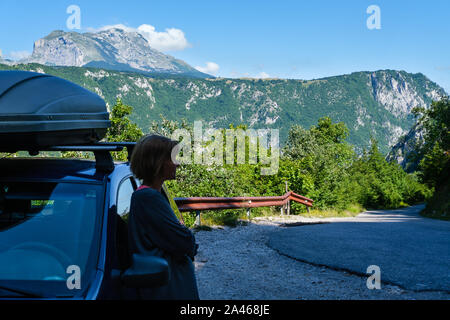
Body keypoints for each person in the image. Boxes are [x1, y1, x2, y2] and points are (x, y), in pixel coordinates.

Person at [128, 134, 199, 300]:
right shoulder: (148, 198)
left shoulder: (152, 194)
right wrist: (187, 236)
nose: (177, 163)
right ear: (158, 162)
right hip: (166, 289)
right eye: (172, 158)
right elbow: (184, 242)